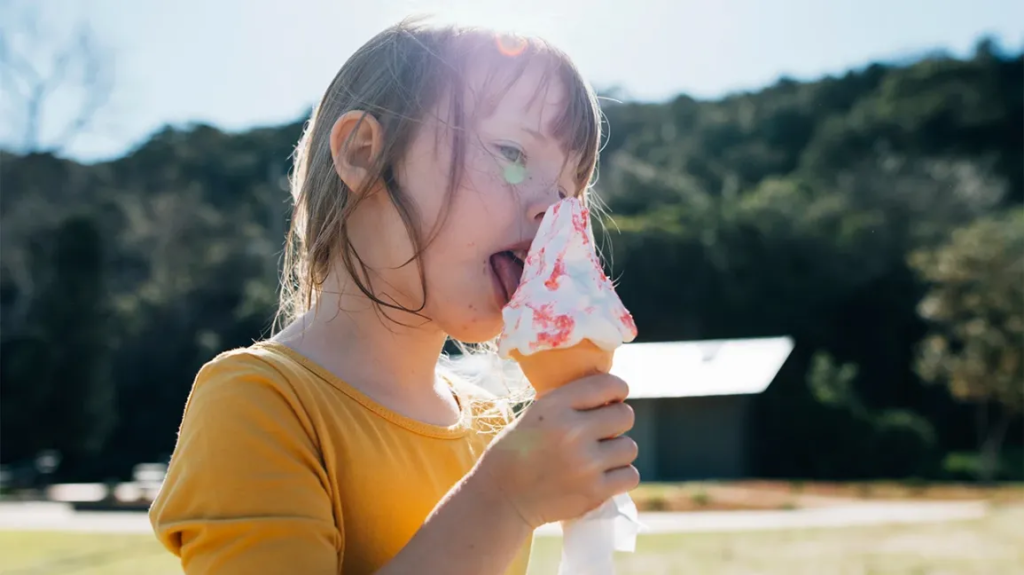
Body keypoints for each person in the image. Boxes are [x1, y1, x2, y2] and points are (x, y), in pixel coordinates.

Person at [149, 17, 639, 575]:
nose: (554, 211)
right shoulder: (257, 402)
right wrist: (503, 501)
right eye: (511, 153)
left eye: (569, 188)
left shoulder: (490, 423)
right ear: (364, 153)